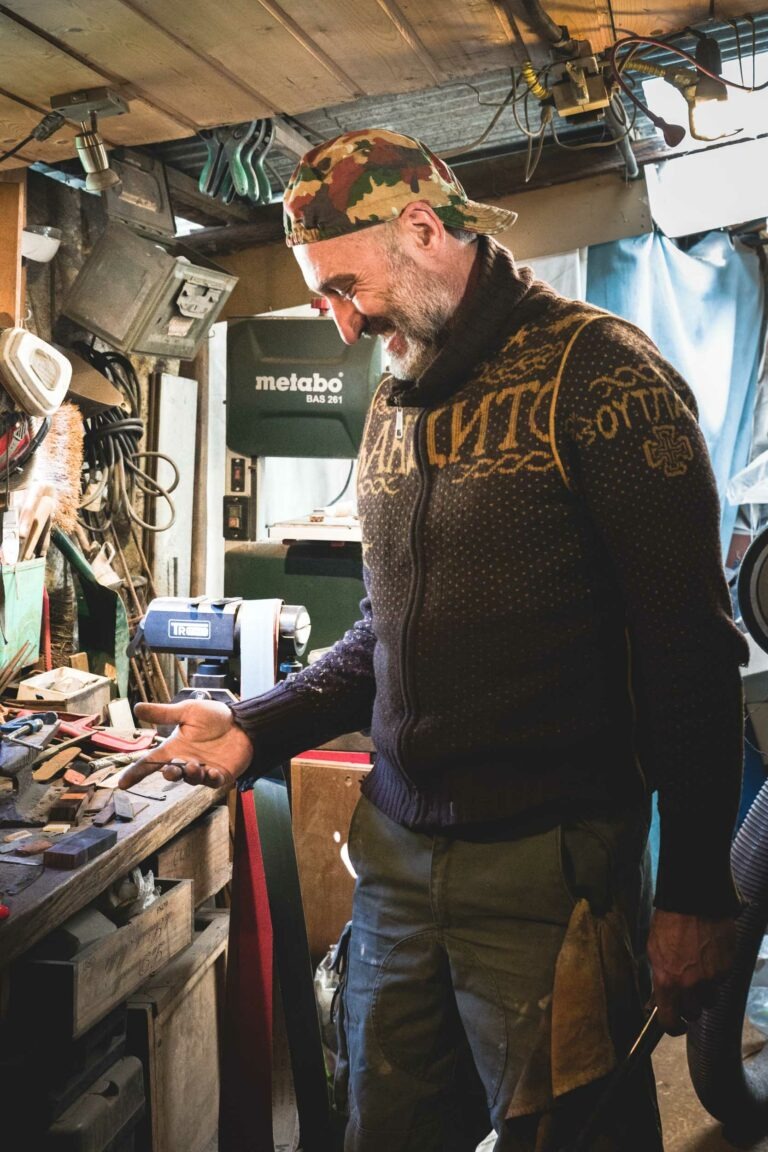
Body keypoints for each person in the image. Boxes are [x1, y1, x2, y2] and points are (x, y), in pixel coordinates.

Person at [120, 128, 748, 1151]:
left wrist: (696, 896)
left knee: (573, 1134)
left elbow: (691, 654)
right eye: (322, 295)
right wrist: (249, 728)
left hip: (549, 876)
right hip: (399, 862)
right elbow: (385, 633)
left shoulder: (602, 376)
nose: (337, 323)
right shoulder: (393, 406)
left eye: (344, 287)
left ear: (422, 228)